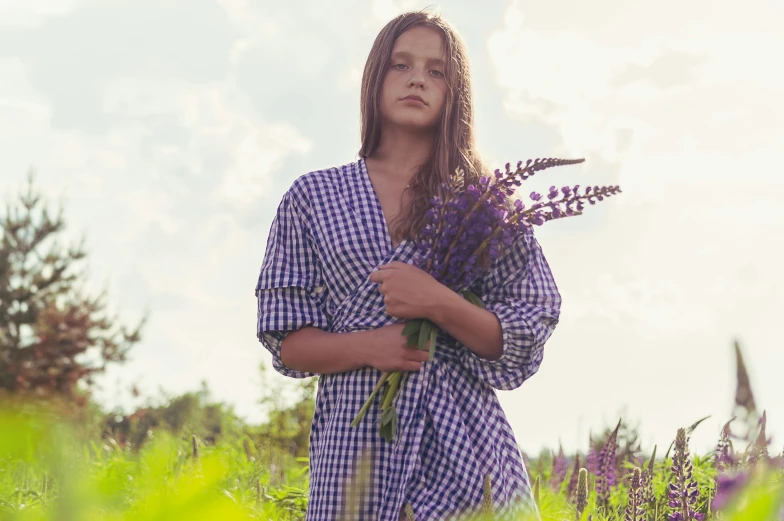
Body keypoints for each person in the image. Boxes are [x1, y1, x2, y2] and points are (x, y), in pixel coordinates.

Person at [254, 10, 561, 521]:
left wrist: (438, 303)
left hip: (468, 450)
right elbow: (285, 339)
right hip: (356, 451)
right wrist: (369, 346)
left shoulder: (482, 204)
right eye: (402, 65)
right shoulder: (313, 197)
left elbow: (524, 334)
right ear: (376, 79)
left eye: (437, 71)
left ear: (454, 92)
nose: (418, 77)